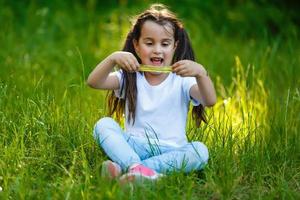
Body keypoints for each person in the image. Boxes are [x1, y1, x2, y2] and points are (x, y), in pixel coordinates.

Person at [87, 4, 216, 183]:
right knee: (103, 125)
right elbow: (94, 82)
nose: (157, 49)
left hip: (171, 150)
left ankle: (133, 169)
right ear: (137, 46)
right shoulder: (129, 77)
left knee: (200, 151)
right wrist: (112, 58)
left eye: (165, 44)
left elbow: (210, 100)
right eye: (149, 43)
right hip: (133, 146)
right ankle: (139, 170)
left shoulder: (183, 80)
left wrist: (201, 73)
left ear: (175, 47)